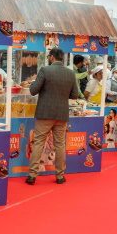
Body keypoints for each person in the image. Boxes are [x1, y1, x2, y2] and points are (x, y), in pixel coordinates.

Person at [26, 47, 79, 185]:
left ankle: (32, 175)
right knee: (60, 145)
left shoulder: (45, 70)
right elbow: (75, 94)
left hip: (45, 113)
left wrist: (33, 82)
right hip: (61, 113)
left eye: (49, 56)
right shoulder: (70, 73)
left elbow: (33, 91)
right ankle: (60, 176)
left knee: (39, 142)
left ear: (52, 57)